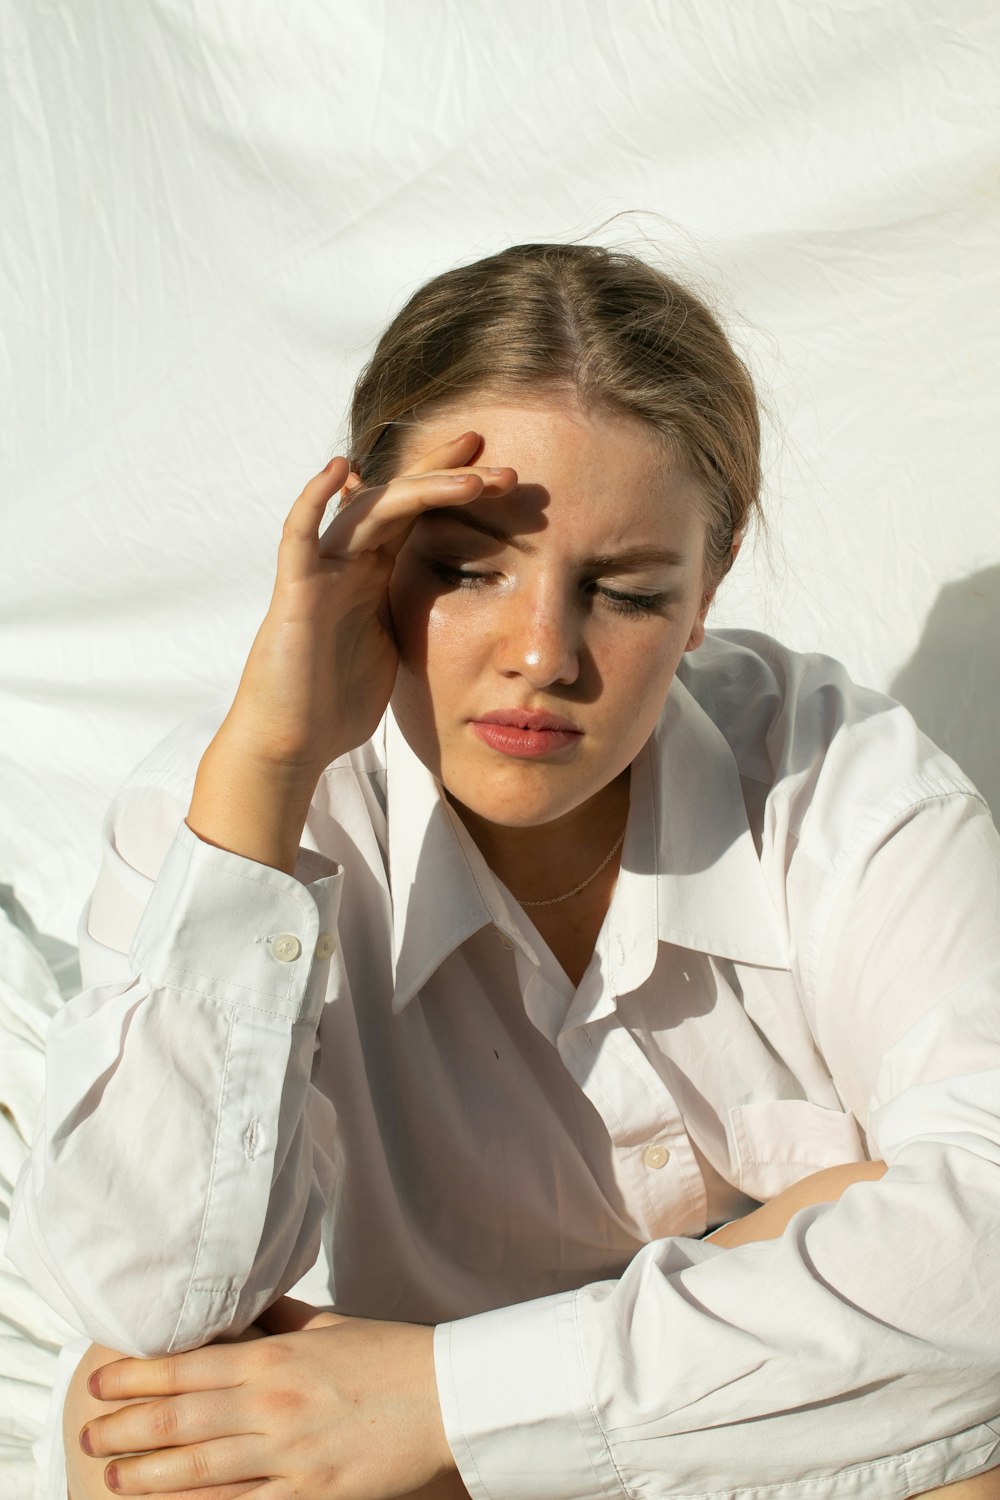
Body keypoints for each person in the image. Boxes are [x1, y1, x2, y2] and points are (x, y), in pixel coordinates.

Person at [9, 242, 1000, 1500]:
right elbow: (149, 1297)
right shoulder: (226, 809)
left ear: (709, 585)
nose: (541, 654)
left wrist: (443, 1404)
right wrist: (265, 766)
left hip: (503, 1454)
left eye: (625, 592)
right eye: (467, 569)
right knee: (133, 1430)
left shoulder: (837, 783)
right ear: (368, 543)